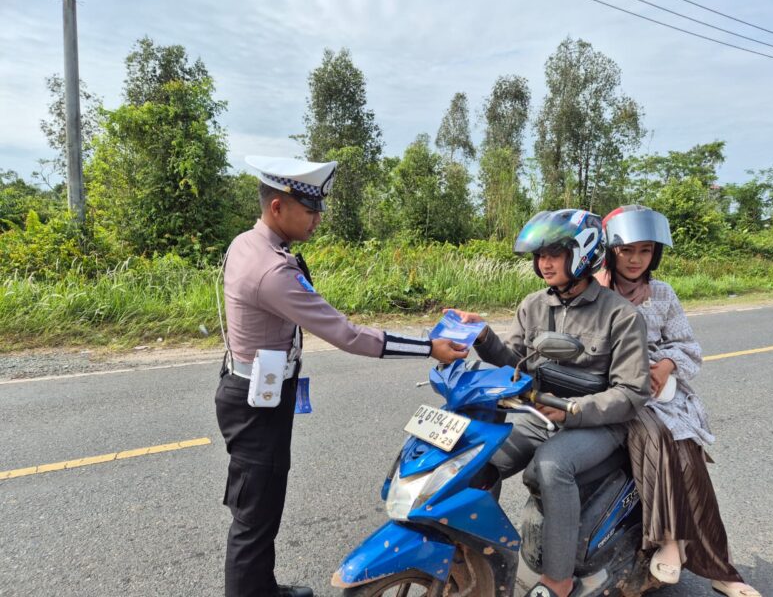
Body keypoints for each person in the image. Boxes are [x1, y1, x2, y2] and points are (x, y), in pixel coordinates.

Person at [215, 155, 468, 597]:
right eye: (310, 210)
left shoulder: (247, 244)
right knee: (254, 517)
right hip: (258, 402)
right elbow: (349, 336)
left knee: (263, 503)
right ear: (278, 207)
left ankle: (262, 588)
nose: (318, 219)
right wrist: (430, 347)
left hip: (256, 387)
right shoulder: (273, 271)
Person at [450, 209, 650, 597]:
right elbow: (517, 365)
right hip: (538, 412)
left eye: (555, 253)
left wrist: (574, 410)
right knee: (477, 458)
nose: (544, 263)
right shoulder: (533, 305)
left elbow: (631, 393)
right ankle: (475, 554)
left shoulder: (620, 315)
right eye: (540, 255)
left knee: (552, 466)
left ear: (584, 254)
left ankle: (558, 579)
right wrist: (482, 337)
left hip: (597, 424)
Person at [598, 205, 761, 597]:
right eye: (627, 251)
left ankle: (722, 571)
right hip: (616, 394)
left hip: (662, 395)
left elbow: (688, 345)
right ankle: (669, 540)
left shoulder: (663, 294)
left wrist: (666, 364)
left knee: (690, 460)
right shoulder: (593, 292)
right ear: (609, 251)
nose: (636, 260)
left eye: (646, 250)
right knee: (657, 439)